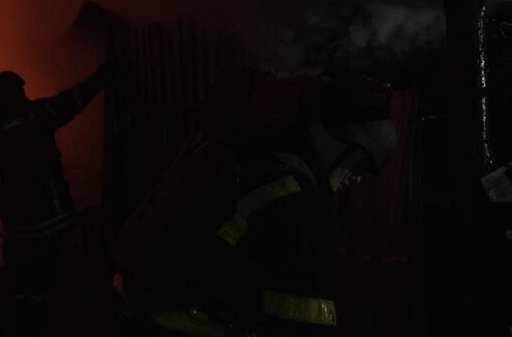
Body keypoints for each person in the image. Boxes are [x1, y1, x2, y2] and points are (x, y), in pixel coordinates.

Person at [111, 75, 396, 336]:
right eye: (358, 165)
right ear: (341, 145)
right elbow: (305, 326)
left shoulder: (238, 157)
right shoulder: (301, 205)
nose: (357, 178)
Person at [0, 62, 110, 334]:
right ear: (7, 96)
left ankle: (31, 324)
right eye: (18, 92)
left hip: (24, 226)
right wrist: (100, 79)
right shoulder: (36, 115)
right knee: (50, 281)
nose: (23, 95)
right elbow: (71, 101)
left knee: (27, 285)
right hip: (52, 220)